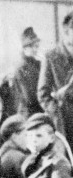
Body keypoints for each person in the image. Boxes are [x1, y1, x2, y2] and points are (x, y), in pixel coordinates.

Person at [38, 11, 73, 150]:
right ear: (66, 32)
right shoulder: (51, 57)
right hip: (64, 122)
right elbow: (43, 94)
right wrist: (57, 115)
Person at [12, 27, 43, 118]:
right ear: (25, 48)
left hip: (37, 110)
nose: (36, 50)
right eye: (34, 47)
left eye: (37, 46)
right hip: (28, 114)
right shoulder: (22, 68)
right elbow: (29, 97)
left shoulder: (38, 64)